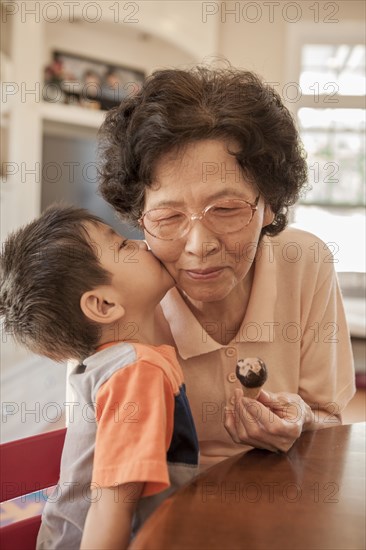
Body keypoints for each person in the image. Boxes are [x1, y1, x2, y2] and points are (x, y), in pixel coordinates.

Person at [98, 65, 356, 468]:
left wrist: (302, 418)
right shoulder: (115, 292)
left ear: (269, 203)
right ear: (139, 219)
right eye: (168, 218)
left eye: (227, 209)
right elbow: (102, 461)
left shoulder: (305, 262)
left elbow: (331, 421)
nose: (200, 247)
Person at [0, 205, 199, 549]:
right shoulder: (136, 374)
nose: (142, 243)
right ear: (104, 305)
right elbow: (112, 507)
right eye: (123, 245)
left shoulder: (118, 364)